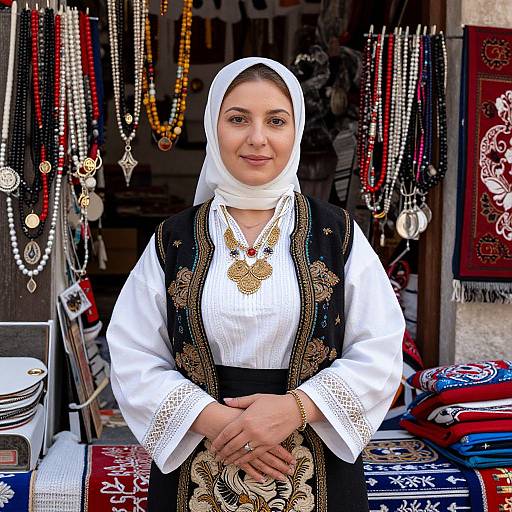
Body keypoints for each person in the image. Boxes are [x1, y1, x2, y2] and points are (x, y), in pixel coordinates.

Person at [107, 57, 405, 512]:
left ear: (296, 130)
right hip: (200, 457)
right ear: (214, 127)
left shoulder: (337, 235)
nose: (257, 138)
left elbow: (380, 349)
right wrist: (221, 422)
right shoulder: (174, 239)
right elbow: (133, 354)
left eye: (276, 120)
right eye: (238, 119)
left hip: (318, 463)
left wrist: (296, 409)